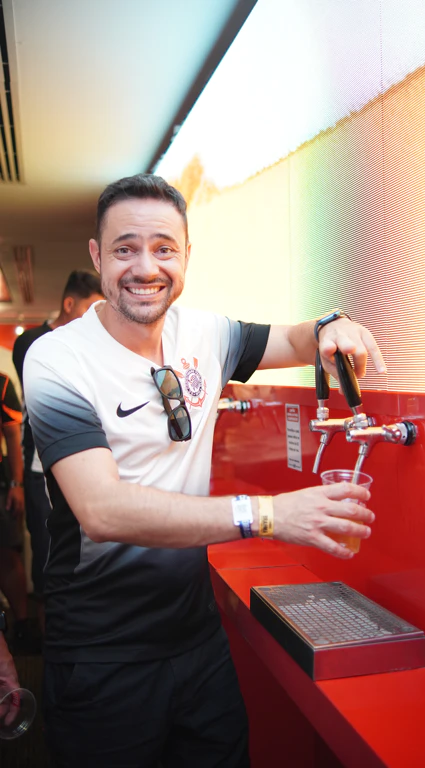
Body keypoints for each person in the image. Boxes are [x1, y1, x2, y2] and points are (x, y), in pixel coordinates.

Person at [23, 174, 386, 768]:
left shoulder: (207, 335)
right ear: (97, 255)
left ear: (187, 256)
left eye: (163, 248)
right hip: (102, 655)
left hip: (198, 640)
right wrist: (269, 515)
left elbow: (295, 340)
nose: (146, 267)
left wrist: (330, 326)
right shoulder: (57, 359)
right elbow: (102, 509)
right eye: (125, 248)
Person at [12, 271, 103, 631]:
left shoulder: (89, 345)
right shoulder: (33, 343)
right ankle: (48, 637)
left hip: (82, 464)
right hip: (39, 468)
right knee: (47, 549)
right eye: (91, 309)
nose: (96, 319)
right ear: (69, 304)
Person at [0, 371, 30, 652]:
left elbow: (12, 434)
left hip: (1, 481)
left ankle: (22, 625)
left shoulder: (2, 382)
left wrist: (17, 484)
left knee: (7, 554)